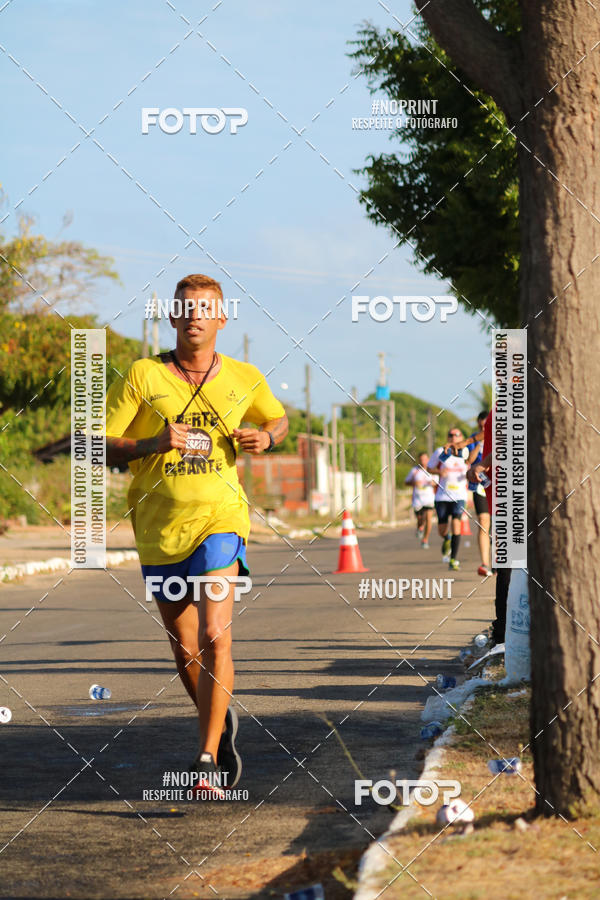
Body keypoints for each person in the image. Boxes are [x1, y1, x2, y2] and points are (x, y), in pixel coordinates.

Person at [104, 273, 288, 795]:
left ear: (222, 318)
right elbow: (98, 444)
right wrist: (151, 443)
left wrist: (266, 438)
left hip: (221, 520)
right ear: (172, 316)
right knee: (185, 647)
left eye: (206, 308)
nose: (195, 316)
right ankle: (221, 725)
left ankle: (206, 759)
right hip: (159, 527)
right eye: (185, 307)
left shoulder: (244, 376)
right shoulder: (142, 375)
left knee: (214, 633)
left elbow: (278, 420)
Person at [467, 408, 510, 646]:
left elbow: (512, 441)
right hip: (500, 496)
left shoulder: (519, 399)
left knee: (510, 568)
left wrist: (482, 464)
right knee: (505, 567)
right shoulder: (498, 408)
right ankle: (504, 630)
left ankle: (506, 632)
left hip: (515, 497)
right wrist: (478, 466)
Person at [428, 428, 469, 571]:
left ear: (461, 437)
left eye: (456, 435)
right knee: (442, 530)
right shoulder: (441, 452)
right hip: (442, 496)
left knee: (456, 524)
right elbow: (429, 467)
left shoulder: (466, 452)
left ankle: (454, 559)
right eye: (450, 435)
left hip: (459, 496)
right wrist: (439, 471)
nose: (453, 437)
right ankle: (447, 539)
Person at [466, 411, 492, 576]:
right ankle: (484, 563)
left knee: (497, 526)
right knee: (483, 521)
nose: (483, 428)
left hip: (497, 484)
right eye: (481, 426)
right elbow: (468, 461)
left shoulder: (501, 434)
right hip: (480, 486)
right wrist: (477, 445)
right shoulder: (473, 440)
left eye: (486, 425)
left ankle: (499, 562)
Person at [405, 452, 437, 549]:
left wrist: (433, 483)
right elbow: (406, 482)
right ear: (419, 460)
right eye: (421, 459)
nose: (423, 461)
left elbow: (438, 483)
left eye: (425, 459)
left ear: (428, 460)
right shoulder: (414, 471)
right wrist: (414, 482)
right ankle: (420, 527)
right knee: (420, 519)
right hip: (418, 500)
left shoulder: (432, 471)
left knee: (428, 519)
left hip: (429, 499)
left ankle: (425, 539)